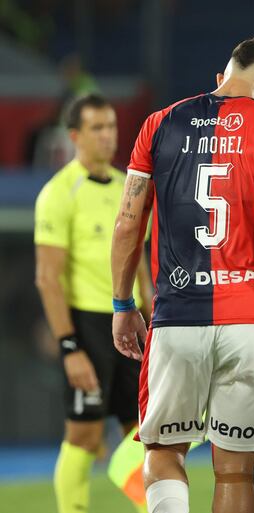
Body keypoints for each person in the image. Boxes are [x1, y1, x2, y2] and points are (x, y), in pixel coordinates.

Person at [110, 36, 254, 513]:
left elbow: (128, 222)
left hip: (176, 317)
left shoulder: (159, 124)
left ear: (221, 78)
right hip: (250, 320)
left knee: (162, 452)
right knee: (236, 469)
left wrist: (122, 304)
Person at [34, 93, 154, 513]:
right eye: (97, 128)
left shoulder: (129, 186)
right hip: (87, 325)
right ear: (75, 136)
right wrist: (69, 346)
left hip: (131, 321)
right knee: (84, 436)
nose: (108, 136)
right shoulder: (59, 193)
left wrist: (151, 307)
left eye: (111, 127)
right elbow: (48, 277)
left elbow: (138, 259)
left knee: (142, 434)